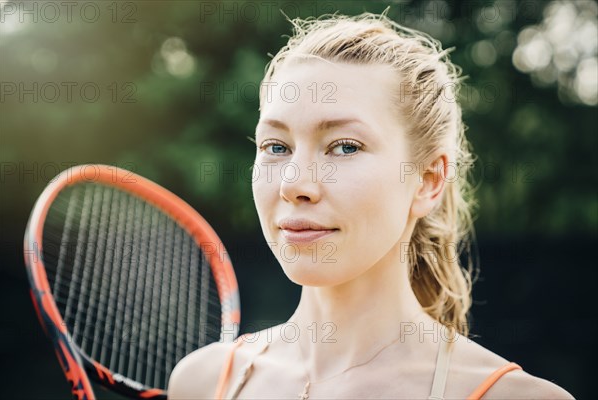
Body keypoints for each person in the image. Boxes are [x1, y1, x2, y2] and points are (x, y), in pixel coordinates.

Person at [168, 11, 574, 399]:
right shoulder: (201, 383)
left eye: (344, 147)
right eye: (277, 146)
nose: (294, 184)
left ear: (428, 181)